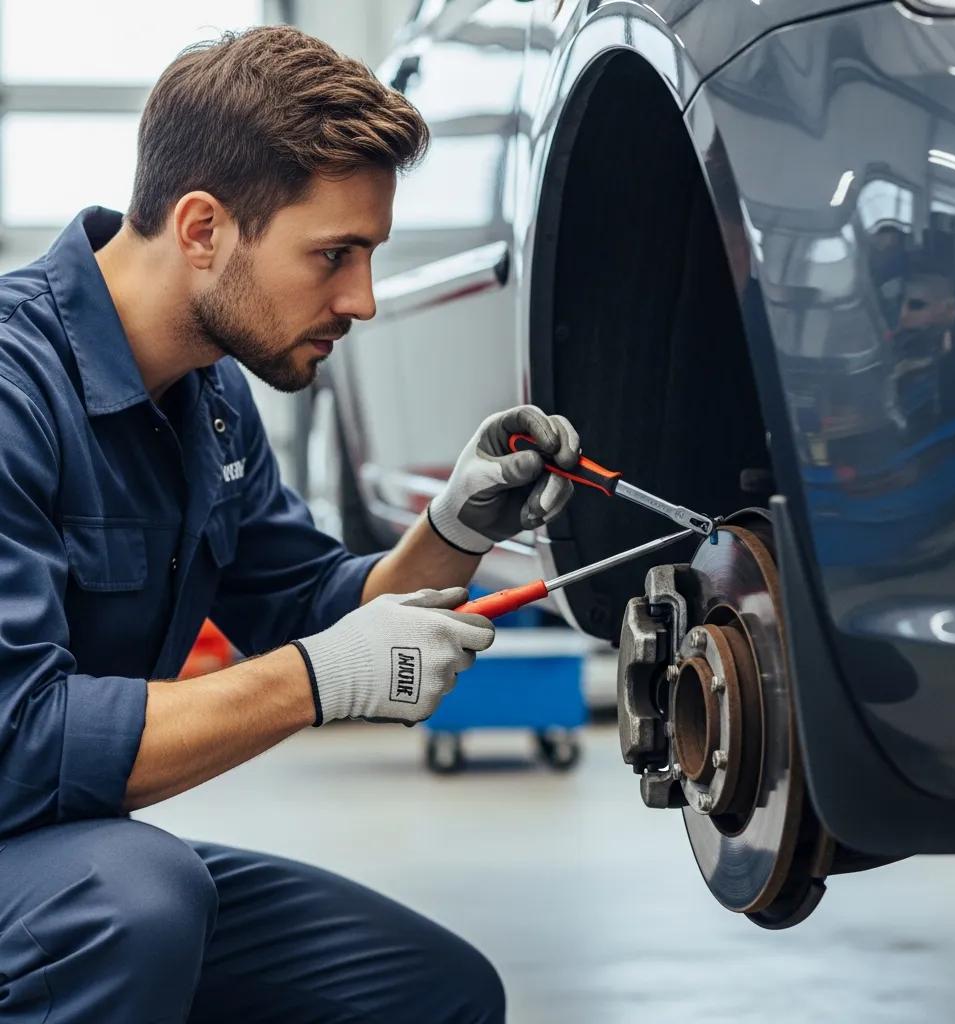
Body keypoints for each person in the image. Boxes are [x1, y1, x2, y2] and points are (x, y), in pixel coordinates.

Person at [0, 25, 581, 1023]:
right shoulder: (15, 390)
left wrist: (457, 525)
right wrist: (311, 683)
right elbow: (20, 743)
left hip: (56, 848)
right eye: (333, 255)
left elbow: (306, 606)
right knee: (136, 902)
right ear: (201, 230)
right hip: (48, 840)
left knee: (432, 992)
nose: (359, 299)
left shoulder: (209, 395)